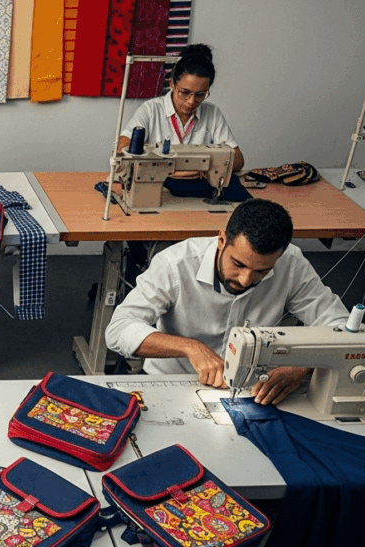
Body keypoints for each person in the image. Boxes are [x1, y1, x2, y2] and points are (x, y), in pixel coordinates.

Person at [105, 198, 349, 406]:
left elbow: (341, 326)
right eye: (238, 264)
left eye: (262, 272)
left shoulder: (291, 264)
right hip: (174, 383)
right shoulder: (175, 265)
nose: (245, 280)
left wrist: (303, 366)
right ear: (222, 240)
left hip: (255, 388)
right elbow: (118, 329)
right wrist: (191, 348)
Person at [118, 44, 245, 178]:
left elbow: (238, 160)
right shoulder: (151, 110)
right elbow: (122, 150)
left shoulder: (212, 114)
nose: (191, 101)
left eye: (200, 94)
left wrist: (201, 167)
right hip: (158, 182)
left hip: (197, 184)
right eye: (185, 92)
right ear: (172, 84)